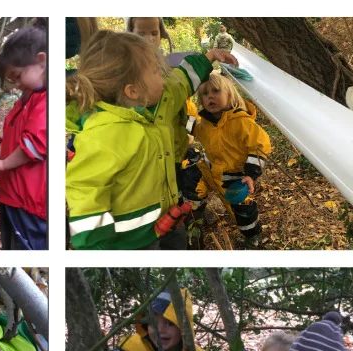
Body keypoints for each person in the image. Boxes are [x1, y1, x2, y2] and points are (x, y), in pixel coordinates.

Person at [66, 31, 237, 249]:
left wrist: (208, 57)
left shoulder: (161, 99)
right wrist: (98, 246)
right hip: (130, 242)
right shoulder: (103, 134)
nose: (164, 77)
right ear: (133, 90)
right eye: (157, 72)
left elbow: (181, 81)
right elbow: (85, 187)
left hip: (167, 220)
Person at [128, 17, 203, 248]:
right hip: (146, 167)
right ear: (129, 32)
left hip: (173, 160)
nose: (150, 40)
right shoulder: (125, 68)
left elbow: (179, 95)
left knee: (173, 216)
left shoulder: (169, 65)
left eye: (154, 33)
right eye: (141, 34)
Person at [0, 26, 47, 249]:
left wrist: (3, 163)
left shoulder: (46, 100)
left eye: (17, 77)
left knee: (28, 260)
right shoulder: (24, 102)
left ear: (42, 61)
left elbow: (34, 145)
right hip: (11, 195)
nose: (16, 85)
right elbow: (10, 139)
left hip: (29, 201)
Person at [188, 73, 271, 246]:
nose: (210, 96)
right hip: (211, 170)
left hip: (236, 176)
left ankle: (253, 237)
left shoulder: (241, 122)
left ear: (230, 94)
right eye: (205, 93)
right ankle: (195, 221)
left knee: (242, 209)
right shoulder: (204, 125)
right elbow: (190, 124)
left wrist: (251, 174)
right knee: (193, 188)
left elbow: (260, 145)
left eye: (216, 91)